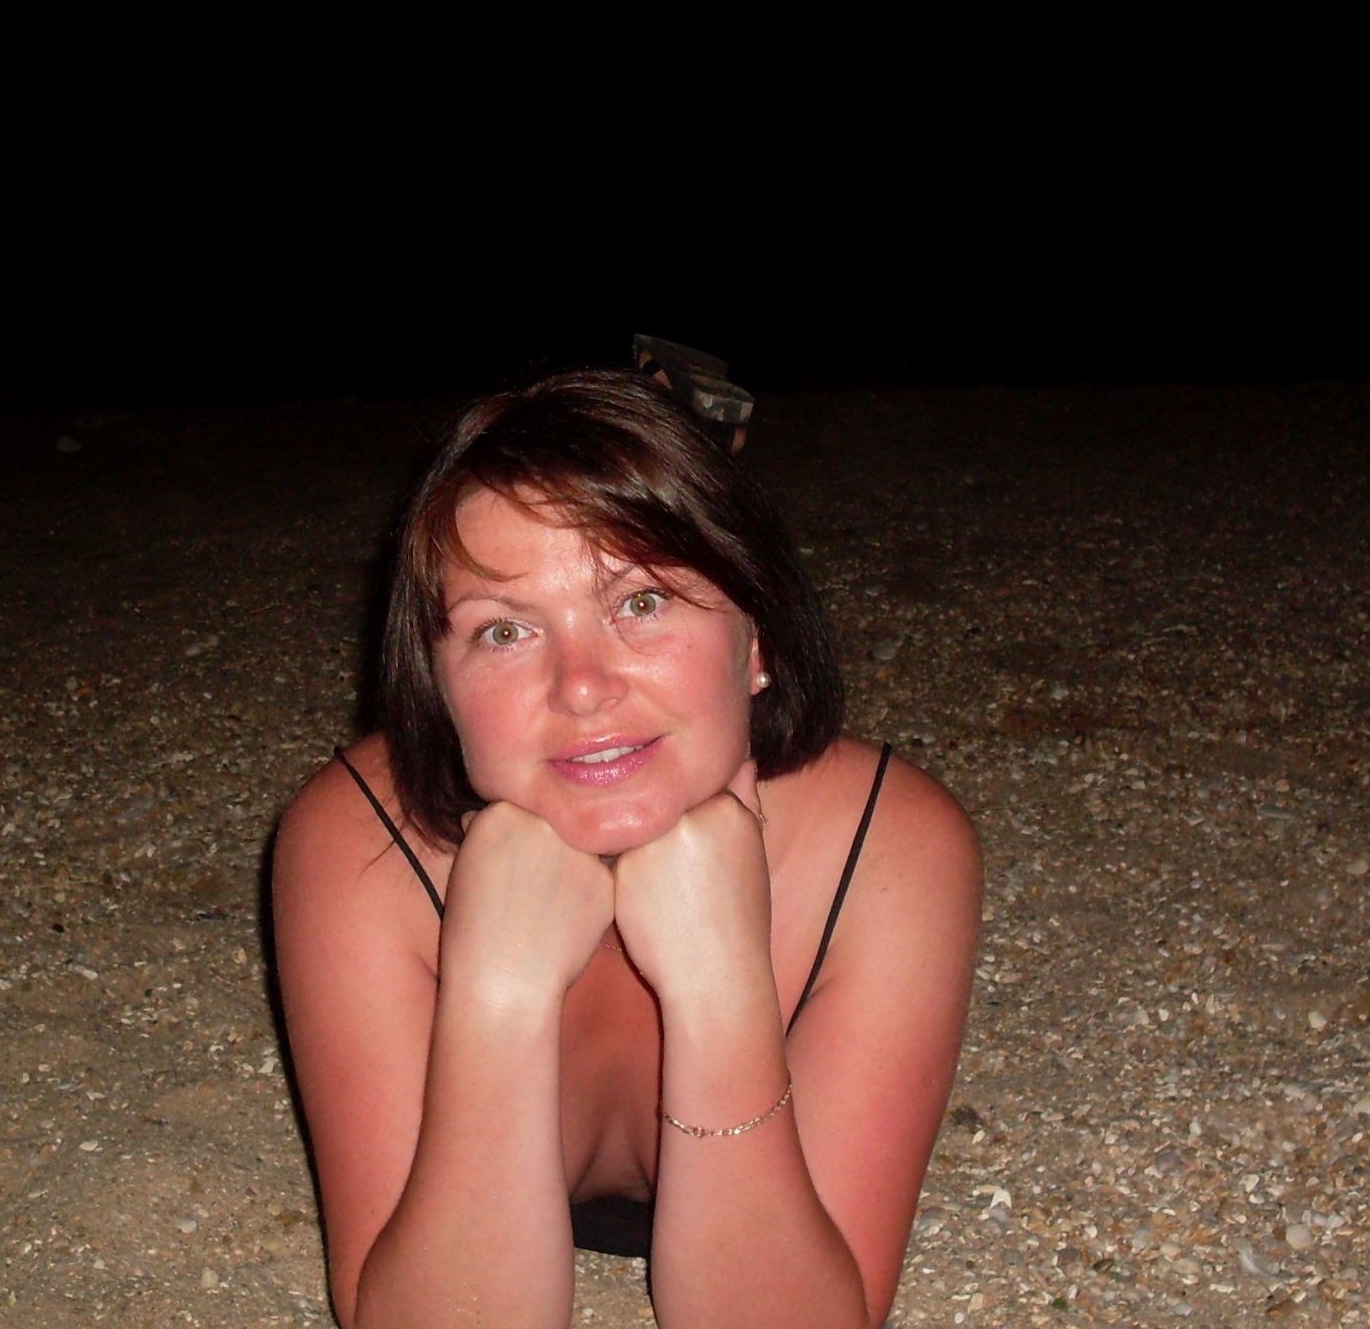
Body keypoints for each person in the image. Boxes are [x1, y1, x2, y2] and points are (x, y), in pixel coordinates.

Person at [272, 369, 981, 1327]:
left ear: (758, 639)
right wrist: (498, 997)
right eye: (505, 629)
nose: (581, 685)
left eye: (641, 602)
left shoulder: (890, 849)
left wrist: (721, 988)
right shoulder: (355, 846)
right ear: (436, 685)